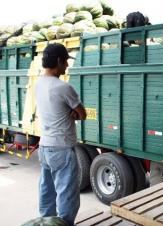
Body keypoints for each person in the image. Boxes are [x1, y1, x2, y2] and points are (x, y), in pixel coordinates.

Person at [35, 43, 87, 226]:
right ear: (58, 61)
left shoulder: (38, 84)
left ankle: (46, 223)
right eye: (65, 62)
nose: (67, 66)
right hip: (62, 149)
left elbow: (57, 108)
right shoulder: (64, 88)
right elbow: (83, 114)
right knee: (67, 196)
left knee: (47, 191)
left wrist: (69, 112)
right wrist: (74, 113)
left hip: (45, 147)